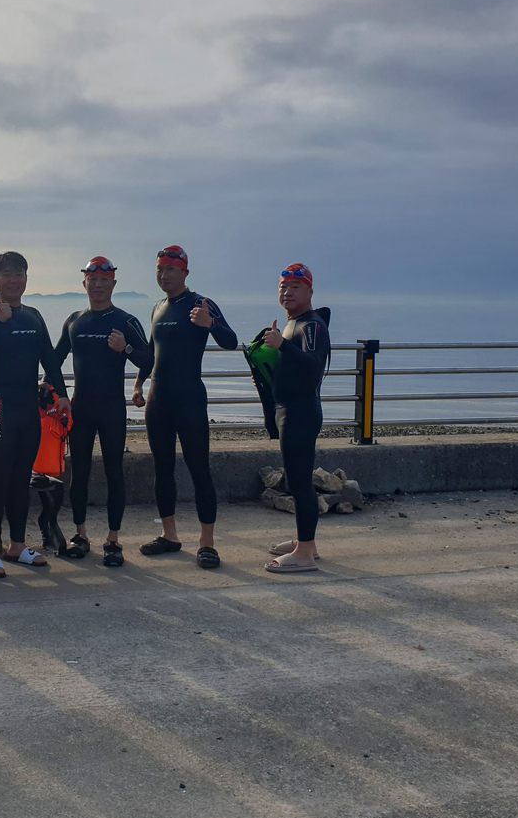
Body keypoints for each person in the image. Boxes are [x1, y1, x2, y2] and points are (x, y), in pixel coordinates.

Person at [0, 251, 69, 577]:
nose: (14, 280)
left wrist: (63, 394)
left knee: (22, 479)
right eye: (7, 274)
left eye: (19, 274)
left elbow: (49, 358)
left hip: (27, 407)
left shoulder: (34, 315)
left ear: (26, 278)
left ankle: (17, 545)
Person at [138, 245, 238, 568]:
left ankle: (207, 543)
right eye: (160, 269)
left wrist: (210, 324)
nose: (164, 275)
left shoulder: (201, 304)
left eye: (171, 269)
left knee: (199, 469)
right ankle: (169, 535)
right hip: (158, 400)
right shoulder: (157, 308)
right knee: (162, 468)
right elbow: (151, 353)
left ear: (185, 273)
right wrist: (138, 384)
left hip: (190, 399)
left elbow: (231, 340)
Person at [54, 256, 153, 567]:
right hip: (81, 408)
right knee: (79, 473)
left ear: (113, 284)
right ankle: (80, 535)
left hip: (112, 409)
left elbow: (149, 360)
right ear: (84, 283)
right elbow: (54, 360)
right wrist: (55, 390)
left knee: (114, 472)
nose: (97, 285)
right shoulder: (74, 321)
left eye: (104, 281)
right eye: (92, 280)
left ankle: (113, 540)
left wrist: (126, 349)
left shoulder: (126, 321)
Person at [262, 264, 331, 573]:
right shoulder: (294, 323)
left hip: (301, 412)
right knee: (295, 479)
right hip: (288, 410)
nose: (287, 292)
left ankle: (303, 554)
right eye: (283, 287)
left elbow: (313, 367)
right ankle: (307, 543)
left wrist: (282, 346)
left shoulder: (312, 325)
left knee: (301, 482)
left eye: (295, 287)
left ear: (310, 292)